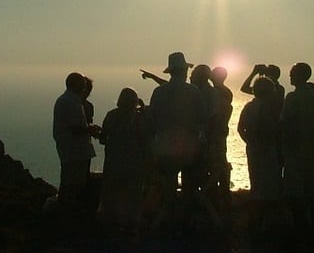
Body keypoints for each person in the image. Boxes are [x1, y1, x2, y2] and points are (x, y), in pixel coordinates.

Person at [146, 52, 207, 230]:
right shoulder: (194, 92)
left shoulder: (159, 92)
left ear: (171, 71)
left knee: (168, 188)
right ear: (184, 71)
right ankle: (185, 222)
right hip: (189, 148)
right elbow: (202, 120)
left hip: (164, 147)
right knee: (188, 187)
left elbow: (151, 120)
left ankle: (169, 222)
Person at [279, 62, 314, 232]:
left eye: (292, 73)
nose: (289, 76)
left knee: (295, 192)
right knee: (313, 190)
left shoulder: (292, 98)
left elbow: (285, 123)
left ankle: (300, 227)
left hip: (296, 150)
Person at [99, 87, 146, 234]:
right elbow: (142, 139)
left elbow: (102, 139)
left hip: (113, 158)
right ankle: (130, 222)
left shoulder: (111, 115)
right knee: (132, 192)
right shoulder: (137, 118)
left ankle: (109, 220)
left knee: (111, 190)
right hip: (133, 159)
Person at [237, 76, 282, 233]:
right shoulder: (266, 108)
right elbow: (270, 130)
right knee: (269, 187)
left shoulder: (249, 107)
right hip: (266, 150)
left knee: (256, 184)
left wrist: (249, 141)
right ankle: (264, 223)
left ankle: (255, 222)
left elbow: (240, 127)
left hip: (253, 150)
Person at [52, 72, 100, 210]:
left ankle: (66, 208)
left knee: (69, 179)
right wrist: (91, 130)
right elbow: (75, 127)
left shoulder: (66, 100)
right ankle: (69, 210)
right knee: (74, 182)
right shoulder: (72, 102)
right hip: (75, 149)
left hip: (71, 148)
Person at [208, 66, 234, 209]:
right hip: (221, 132)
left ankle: (221, 194)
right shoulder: (224, 92)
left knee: (218, 163)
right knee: (220, 161)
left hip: (216, 133)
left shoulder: (217, 93)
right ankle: (223, 193)